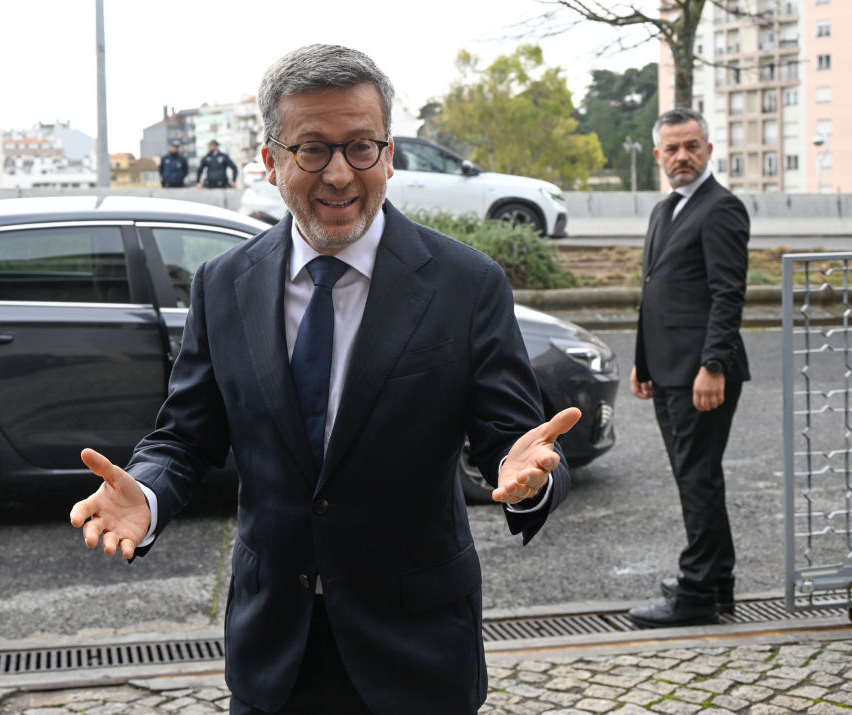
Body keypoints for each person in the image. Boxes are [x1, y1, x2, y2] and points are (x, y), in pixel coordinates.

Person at [70, 44, 580, 713]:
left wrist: (526, 472)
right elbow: (186, 436)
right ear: (271, 161)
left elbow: (514, 439)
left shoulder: (465, 285)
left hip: (419, 651)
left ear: (389, 154)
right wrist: (151, 492)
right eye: (313, 149)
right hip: (273, 651)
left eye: (361, 146)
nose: (340, 174)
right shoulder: (223, 285)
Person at [627, 107, 750, 629]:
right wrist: (643, 361)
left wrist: (714, 364)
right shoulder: (665, 210)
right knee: (696, 477)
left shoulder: (722, 208)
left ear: (709, 150)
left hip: (702, 372)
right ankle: (717, 583)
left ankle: (697, 592)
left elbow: (728, 293)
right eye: (672, 148)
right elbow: (653, 291)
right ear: (658, 155)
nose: (682, 156)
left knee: (696, 479)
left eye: (691, 146)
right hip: (668, 368)